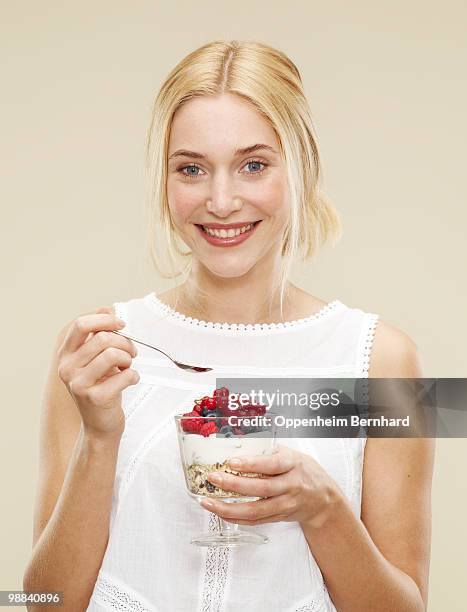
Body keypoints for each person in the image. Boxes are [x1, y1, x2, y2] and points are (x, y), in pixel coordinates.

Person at [24, 40, 435, 611]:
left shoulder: (381, 360)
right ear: (164, 182)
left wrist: (322, 509)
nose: (221, 201)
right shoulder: (101, 351)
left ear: (302, 167)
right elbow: (45, 604)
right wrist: (99, 437)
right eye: (191, 168)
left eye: (253, 165)